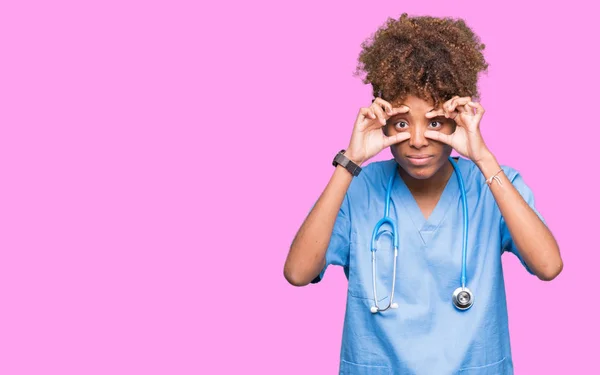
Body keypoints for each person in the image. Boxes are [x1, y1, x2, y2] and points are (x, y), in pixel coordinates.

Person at [283, 13, 563, 375]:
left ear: (458, 119)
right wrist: (350, 161)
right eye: (402, 123)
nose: (417, 140)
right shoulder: (358, 188)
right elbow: (298, 272)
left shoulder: (494, 184)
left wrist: (483, 157)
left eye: (435, 123)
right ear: (382, 119)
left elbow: (549, 266)